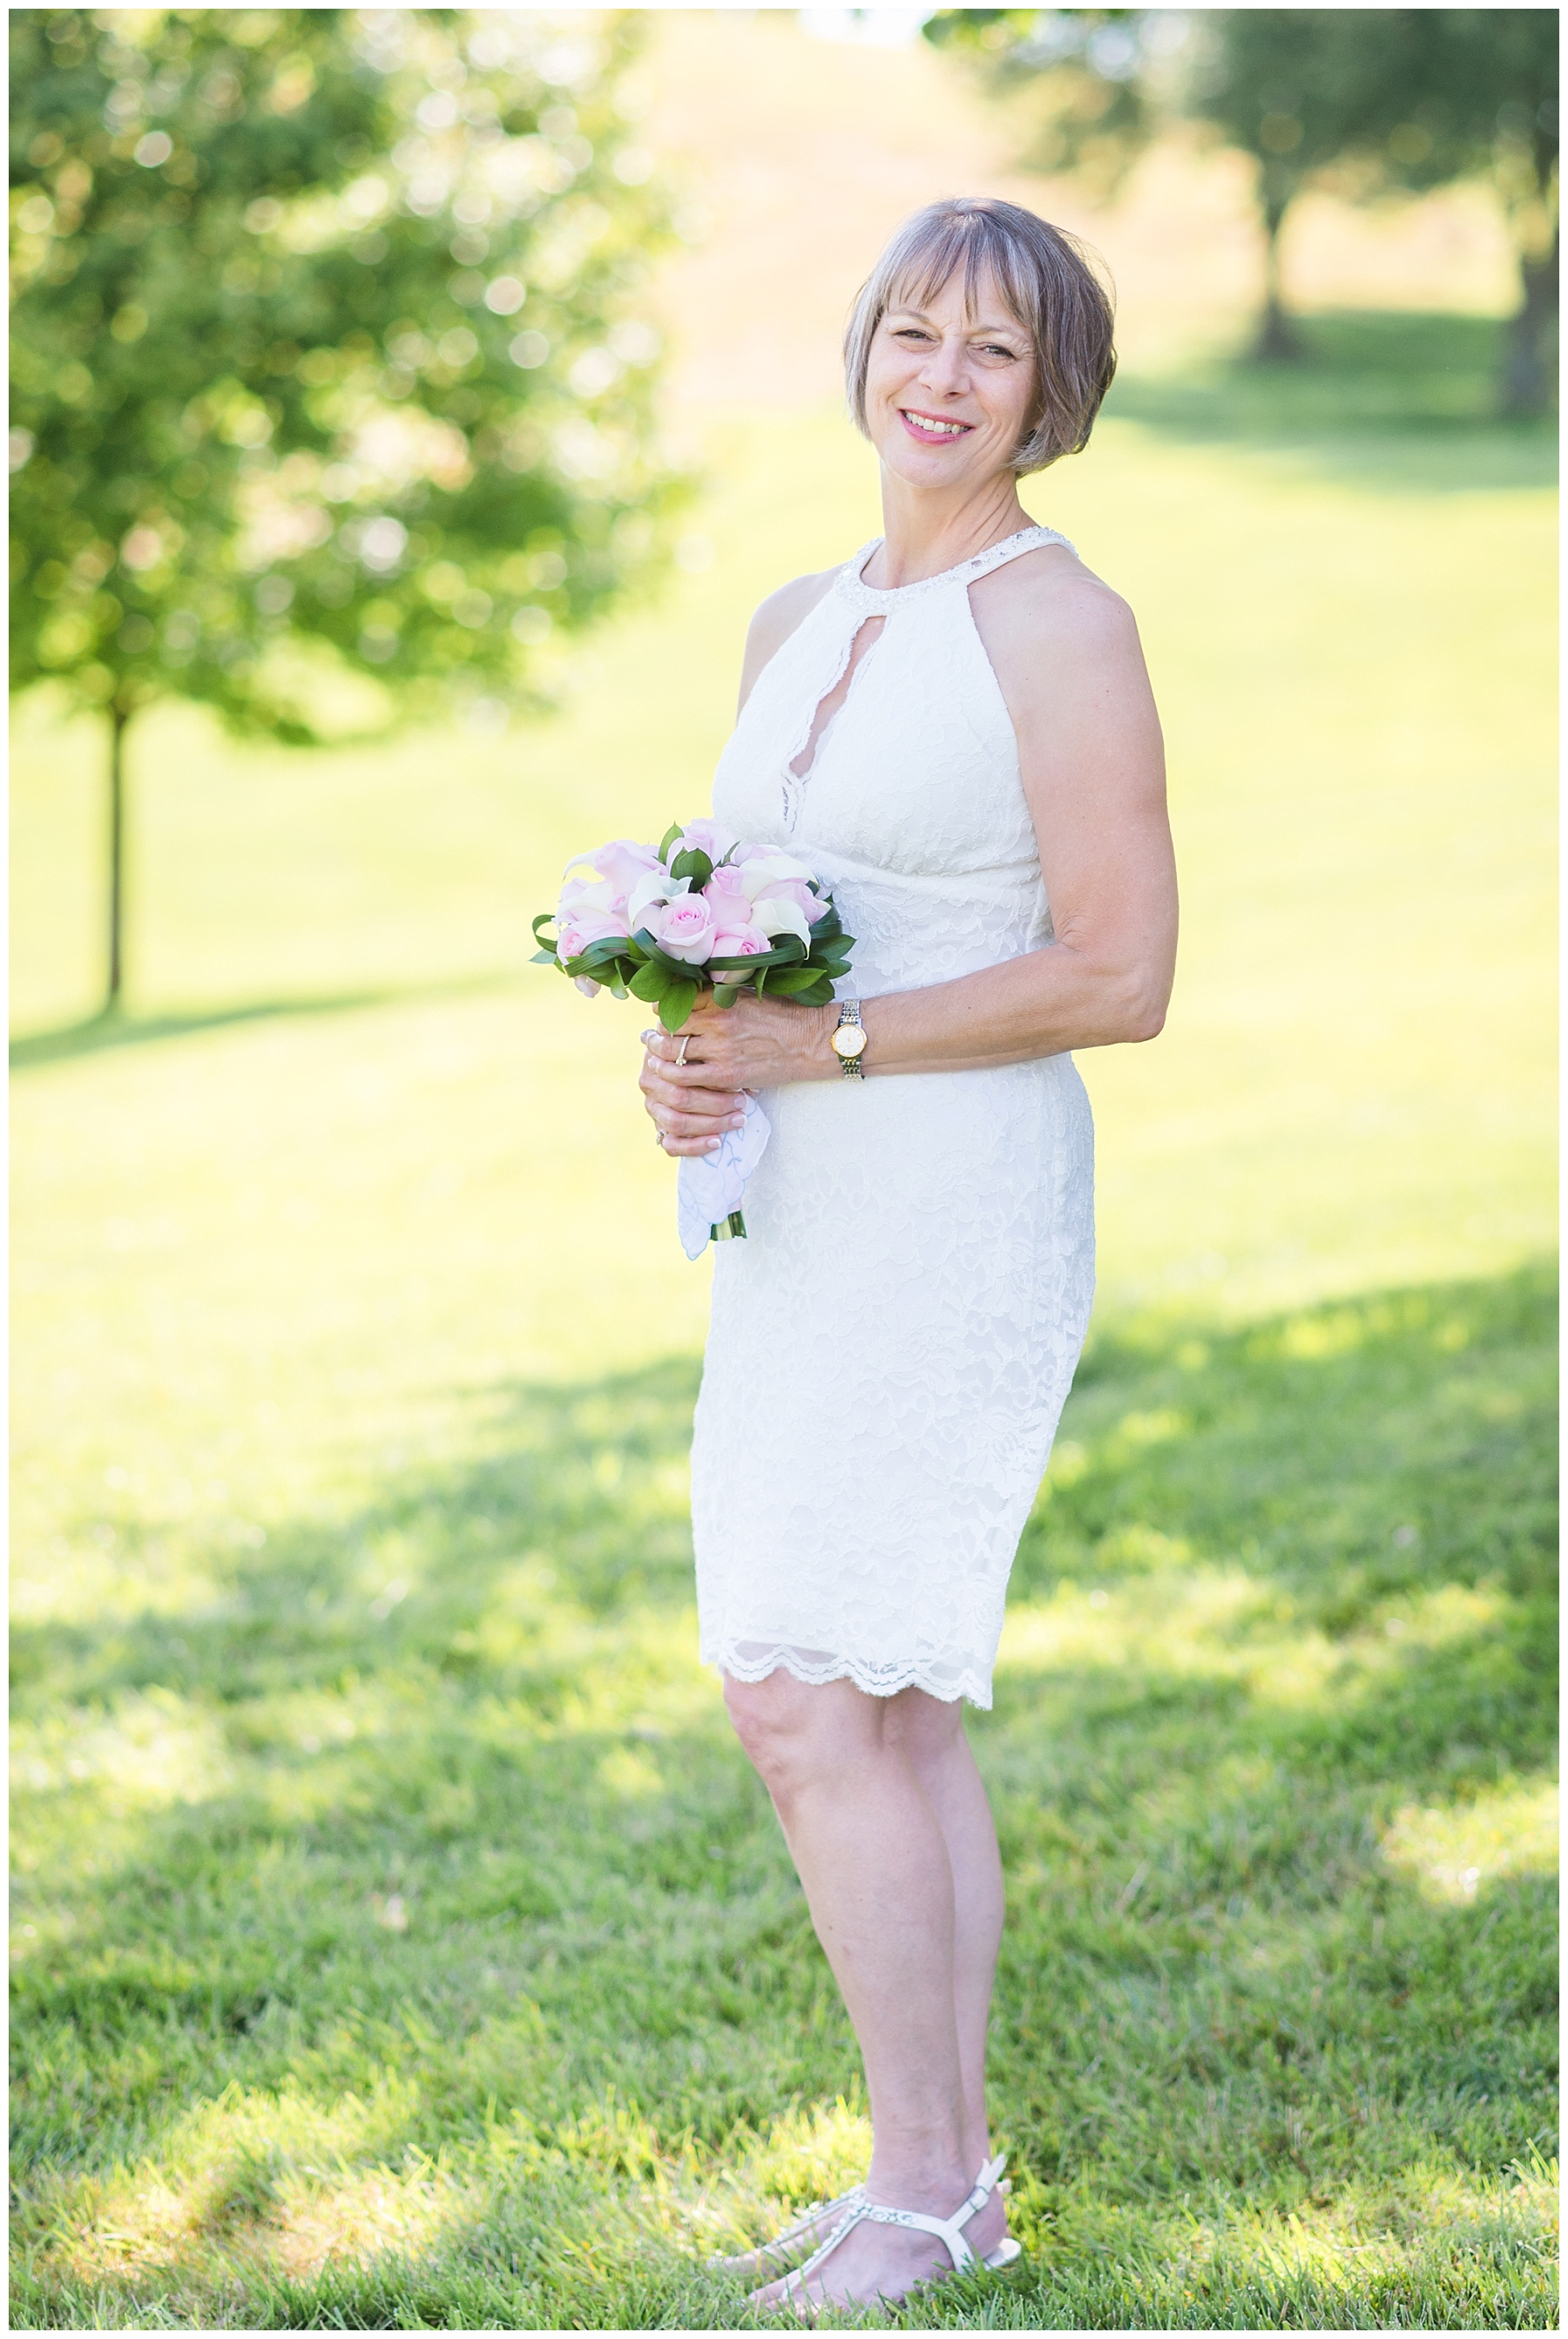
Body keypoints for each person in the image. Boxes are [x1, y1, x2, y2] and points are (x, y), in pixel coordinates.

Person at [638, 195, 1178, 2315]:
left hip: (951, 1192)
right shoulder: (796, 615)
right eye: (915, 333)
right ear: (864, 345)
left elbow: (1122, 971)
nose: (940, 379)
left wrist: (826, 1041)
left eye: (995, 354)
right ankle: (939, 2178)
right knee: (879, 1693)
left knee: (802, 1685)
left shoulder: (1064, 623)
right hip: (802, 1203)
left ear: (1056, 398)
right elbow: (743, 925)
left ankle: (929, 2185)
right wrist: (691, 1067)